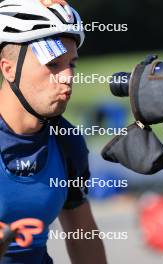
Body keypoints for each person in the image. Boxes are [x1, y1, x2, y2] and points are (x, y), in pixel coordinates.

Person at [0, 0, 107, 263]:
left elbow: (83, 237)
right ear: (8, 69)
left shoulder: (67, 142)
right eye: (53, 64)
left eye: (72, 64)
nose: (68, 76)